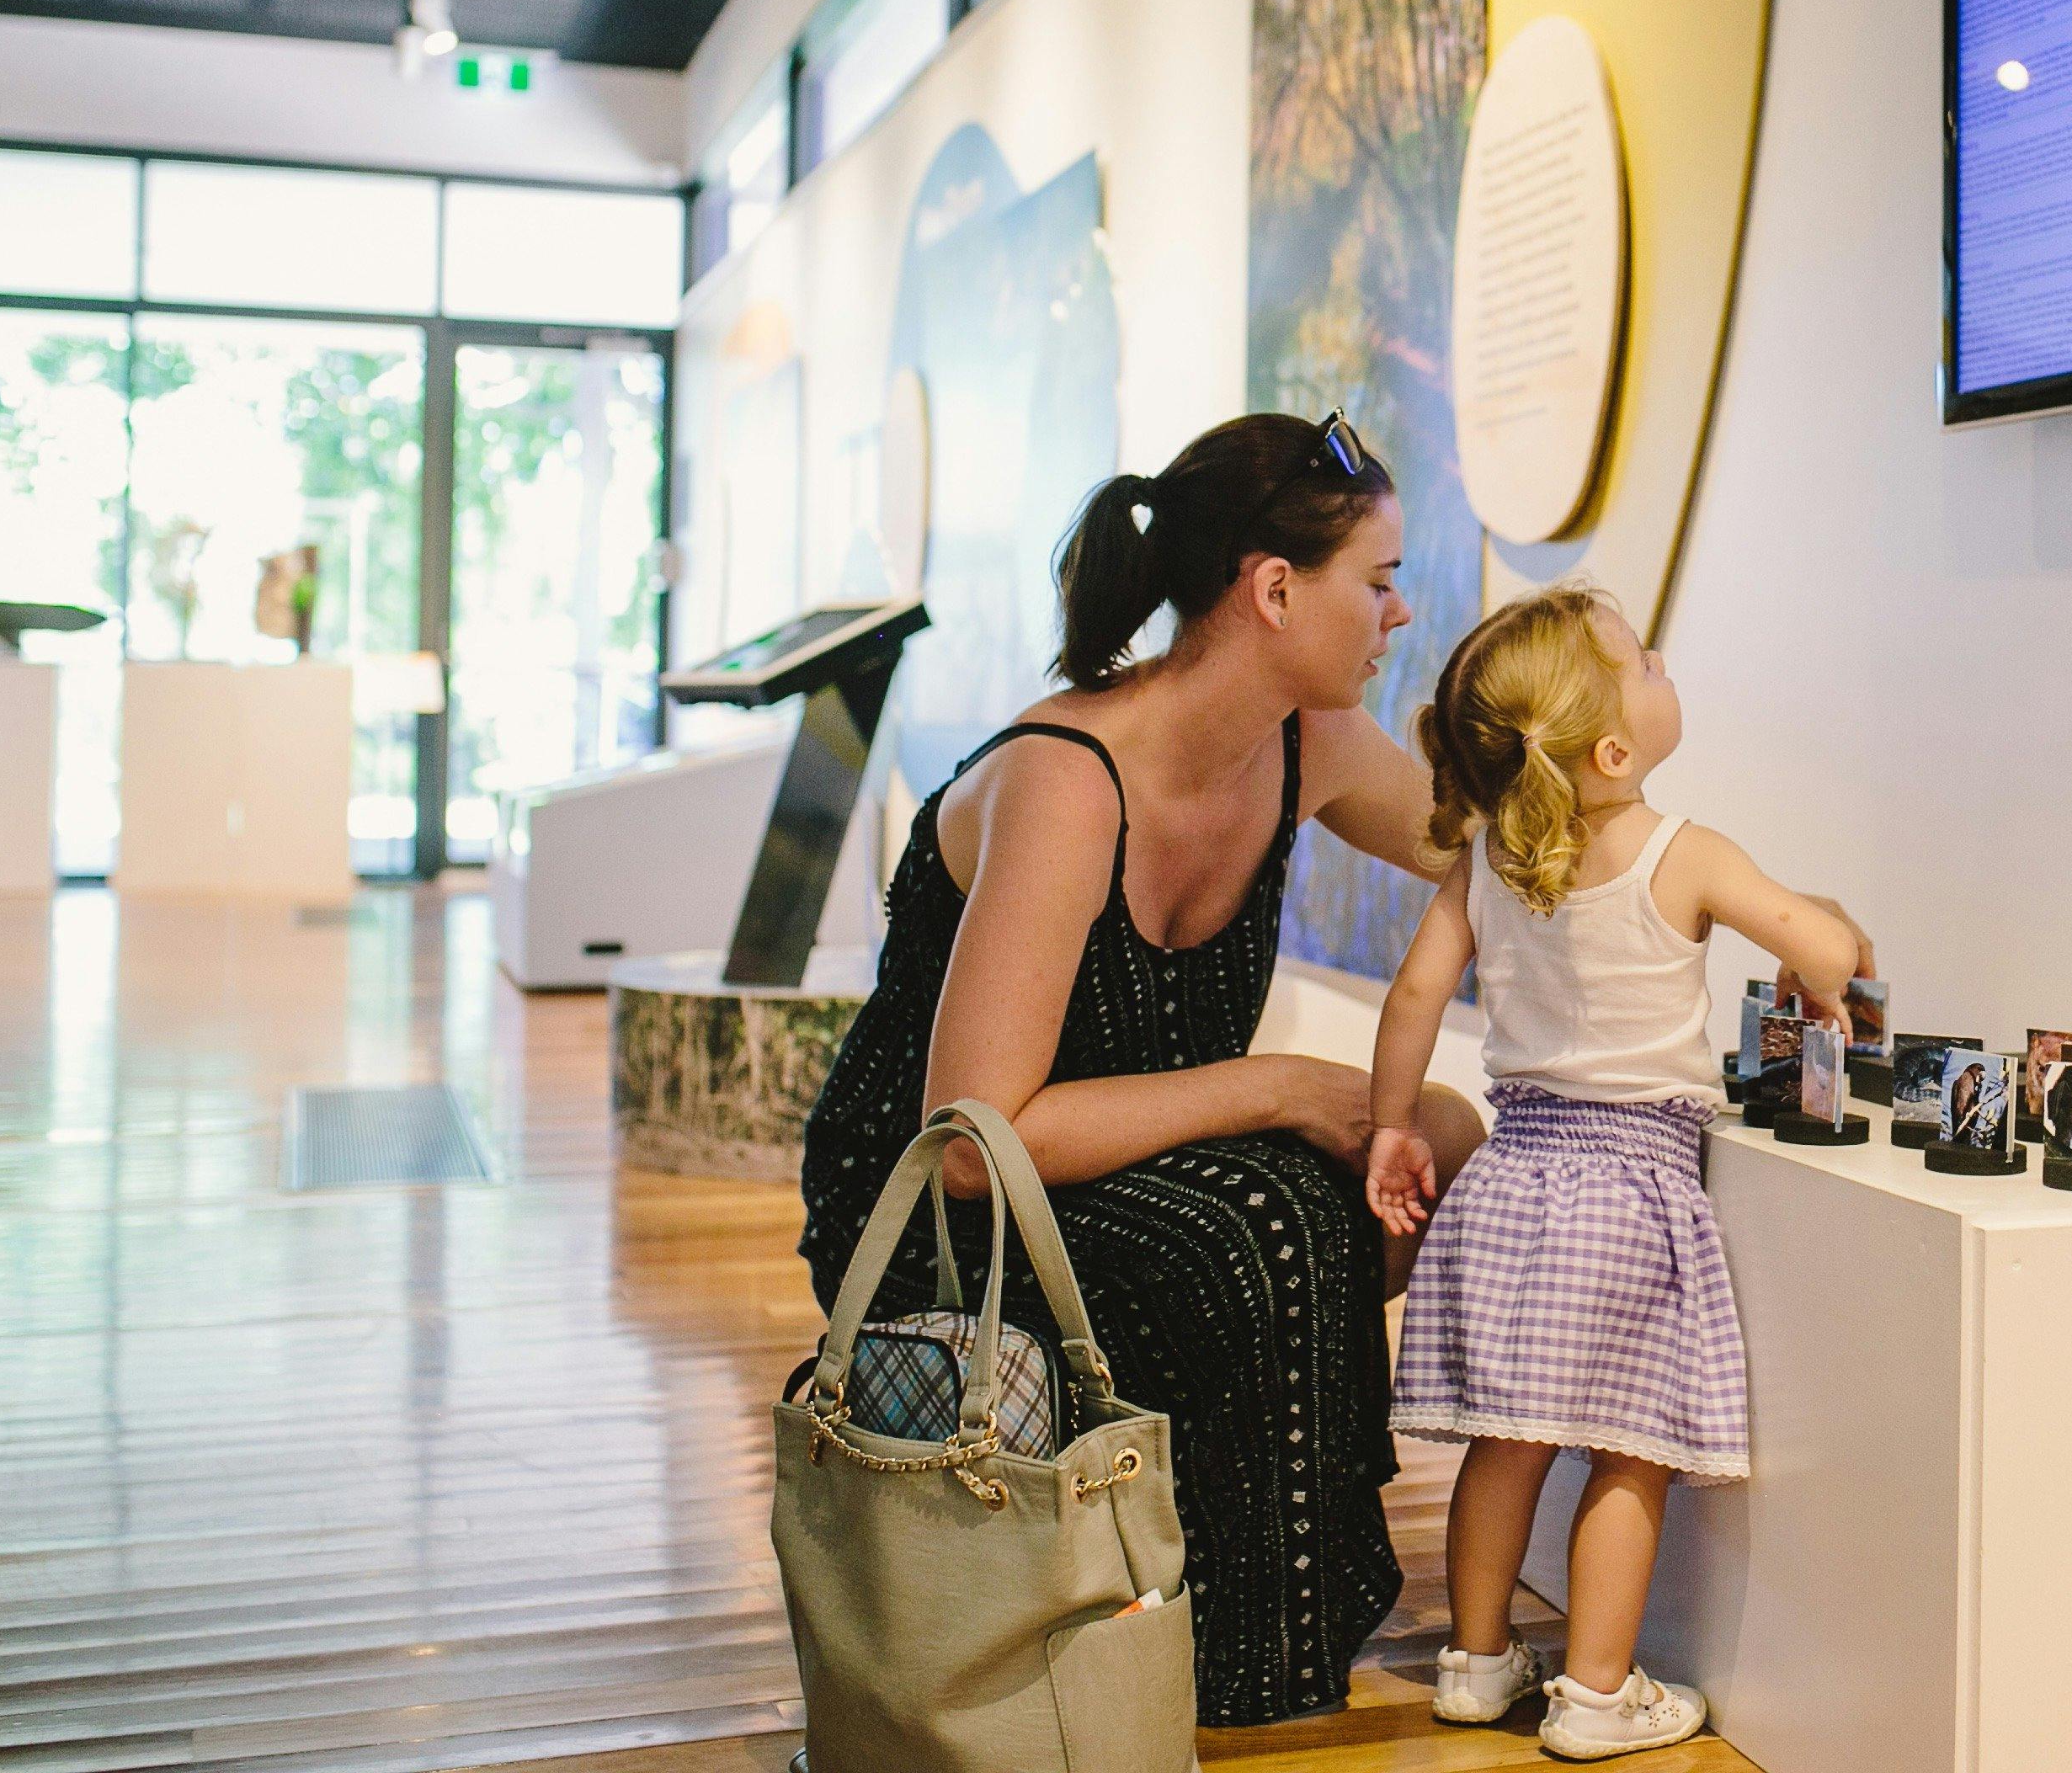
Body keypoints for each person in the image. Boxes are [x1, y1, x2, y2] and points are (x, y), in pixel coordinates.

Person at [796, 410, 1487, 1727]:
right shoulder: (1068, 778)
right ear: (1276, 591)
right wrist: (1286, 1085)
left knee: (1433, 1128)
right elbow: (966, 1138)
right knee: (1268, 1213)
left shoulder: (1311, 743)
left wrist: (1702, 889)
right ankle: (1199, 1642)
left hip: (1136, 1156)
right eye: (1381, 582)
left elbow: (1497, 865)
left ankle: (1277, 1634)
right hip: (940, 1211)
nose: (1401, 615)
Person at [1362, 586, 1865, 1760]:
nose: (1663, 659)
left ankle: (1477, 1667)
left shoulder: (1489, 859)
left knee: (1509, 1437)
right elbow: (1822, 945)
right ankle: (1595, 1696)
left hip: (1511, 1175)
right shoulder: (1683, 853)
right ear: (1612, 748)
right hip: (1630, 1191)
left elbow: (1416, 996)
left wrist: (1392, 1126)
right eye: (1646, 659)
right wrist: (1826, 946)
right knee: (1631, 1448)